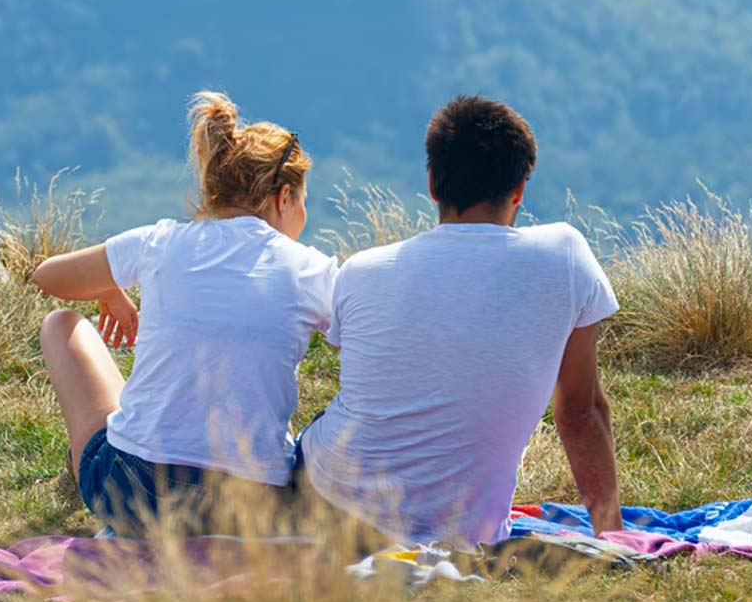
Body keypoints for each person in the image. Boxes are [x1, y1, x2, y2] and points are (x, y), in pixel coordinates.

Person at [298, 94, 622, 548]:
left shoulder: (362, 270)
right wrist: (612, 536)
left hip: (333, 511)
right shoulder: (565, 256)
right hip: (470, 531)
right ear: (519, 191)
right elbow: (580, 412)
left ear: (433, 184)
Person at [33, 91, 337, 534]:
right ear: (284, 197)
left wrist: (110, 289)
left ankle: (84, 460)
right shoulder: (311, 270)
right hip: (252, 512)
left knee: (59, 324)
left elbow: (49, 275)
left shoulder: (161, 242)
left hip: (133, 496)